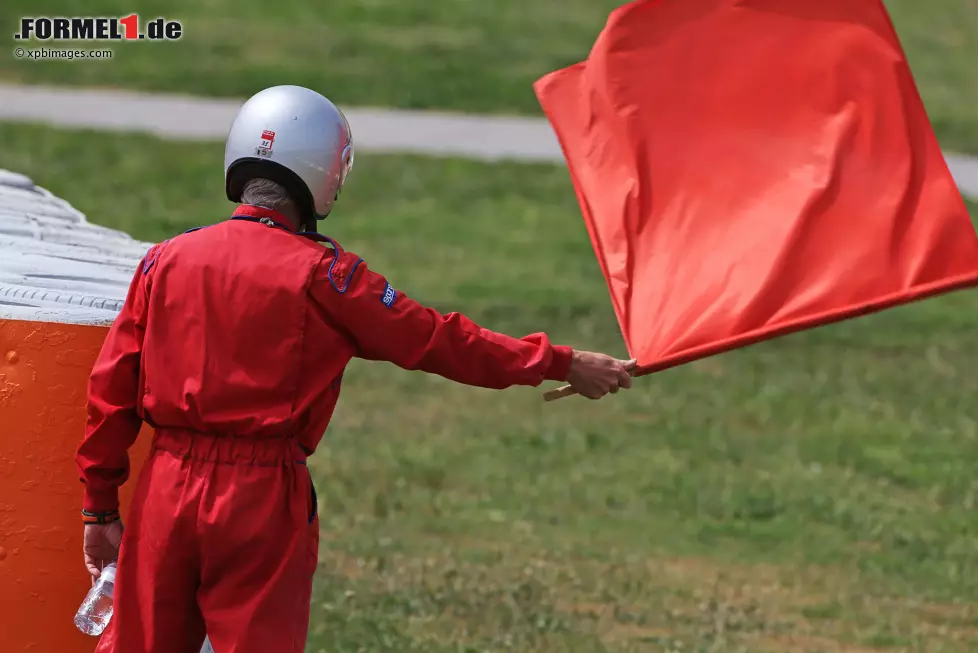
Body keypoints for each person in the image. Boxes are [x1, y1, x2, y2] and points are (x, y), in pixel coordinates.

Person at [76, 84, 634, 653]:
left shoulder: (164, 259)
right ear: (325, 173)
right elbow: (441, 342)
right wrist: (558, 361)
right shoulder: (328, 276)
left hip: (166, 487)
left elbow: (111, 390)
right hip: (260, 496)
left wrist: (98, 508)